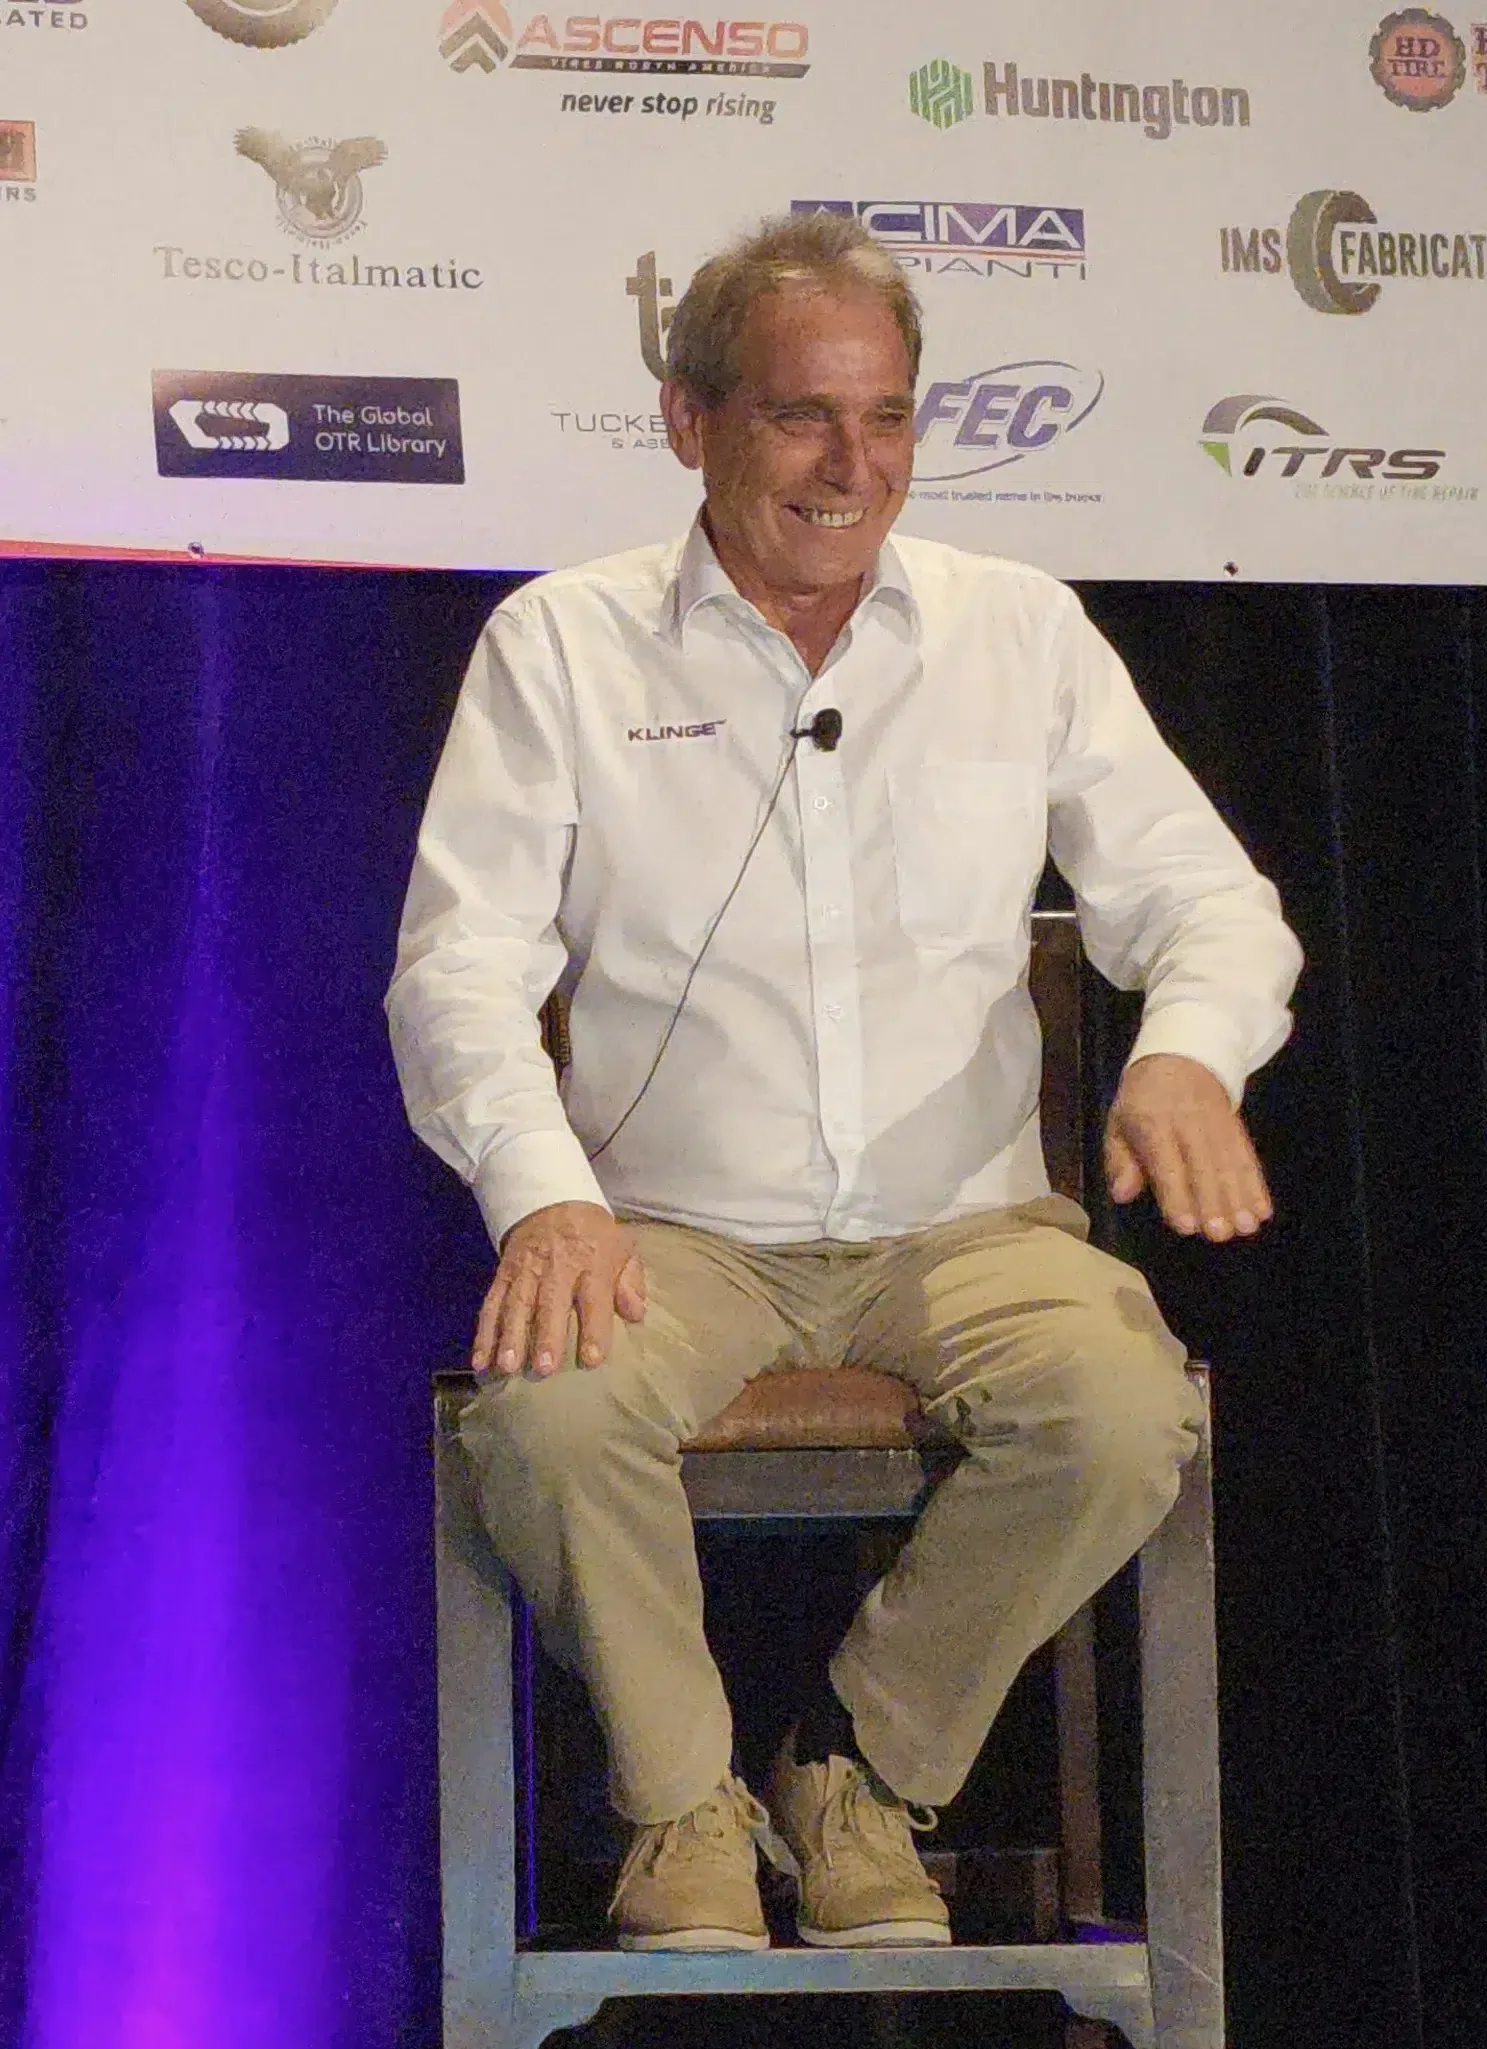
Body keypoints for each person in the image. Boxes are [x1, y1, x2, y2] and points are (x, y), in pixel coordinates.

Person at [387, 213, 1302, 1954]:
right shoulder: (562, 646)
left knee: (1121, 1417)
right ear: (689, 423)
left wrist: (1185, 1054)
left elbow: (1203, 902)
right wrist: (546, 1197)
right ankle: (679, 1811)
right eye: (802, 416)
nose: (849, 464)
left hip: (958, 1228)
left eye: (885, 418)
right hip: (671, 1230)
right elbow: (461, 970)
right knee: (547, 1415)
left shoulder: (1014, 630)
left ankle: (861, 1774)